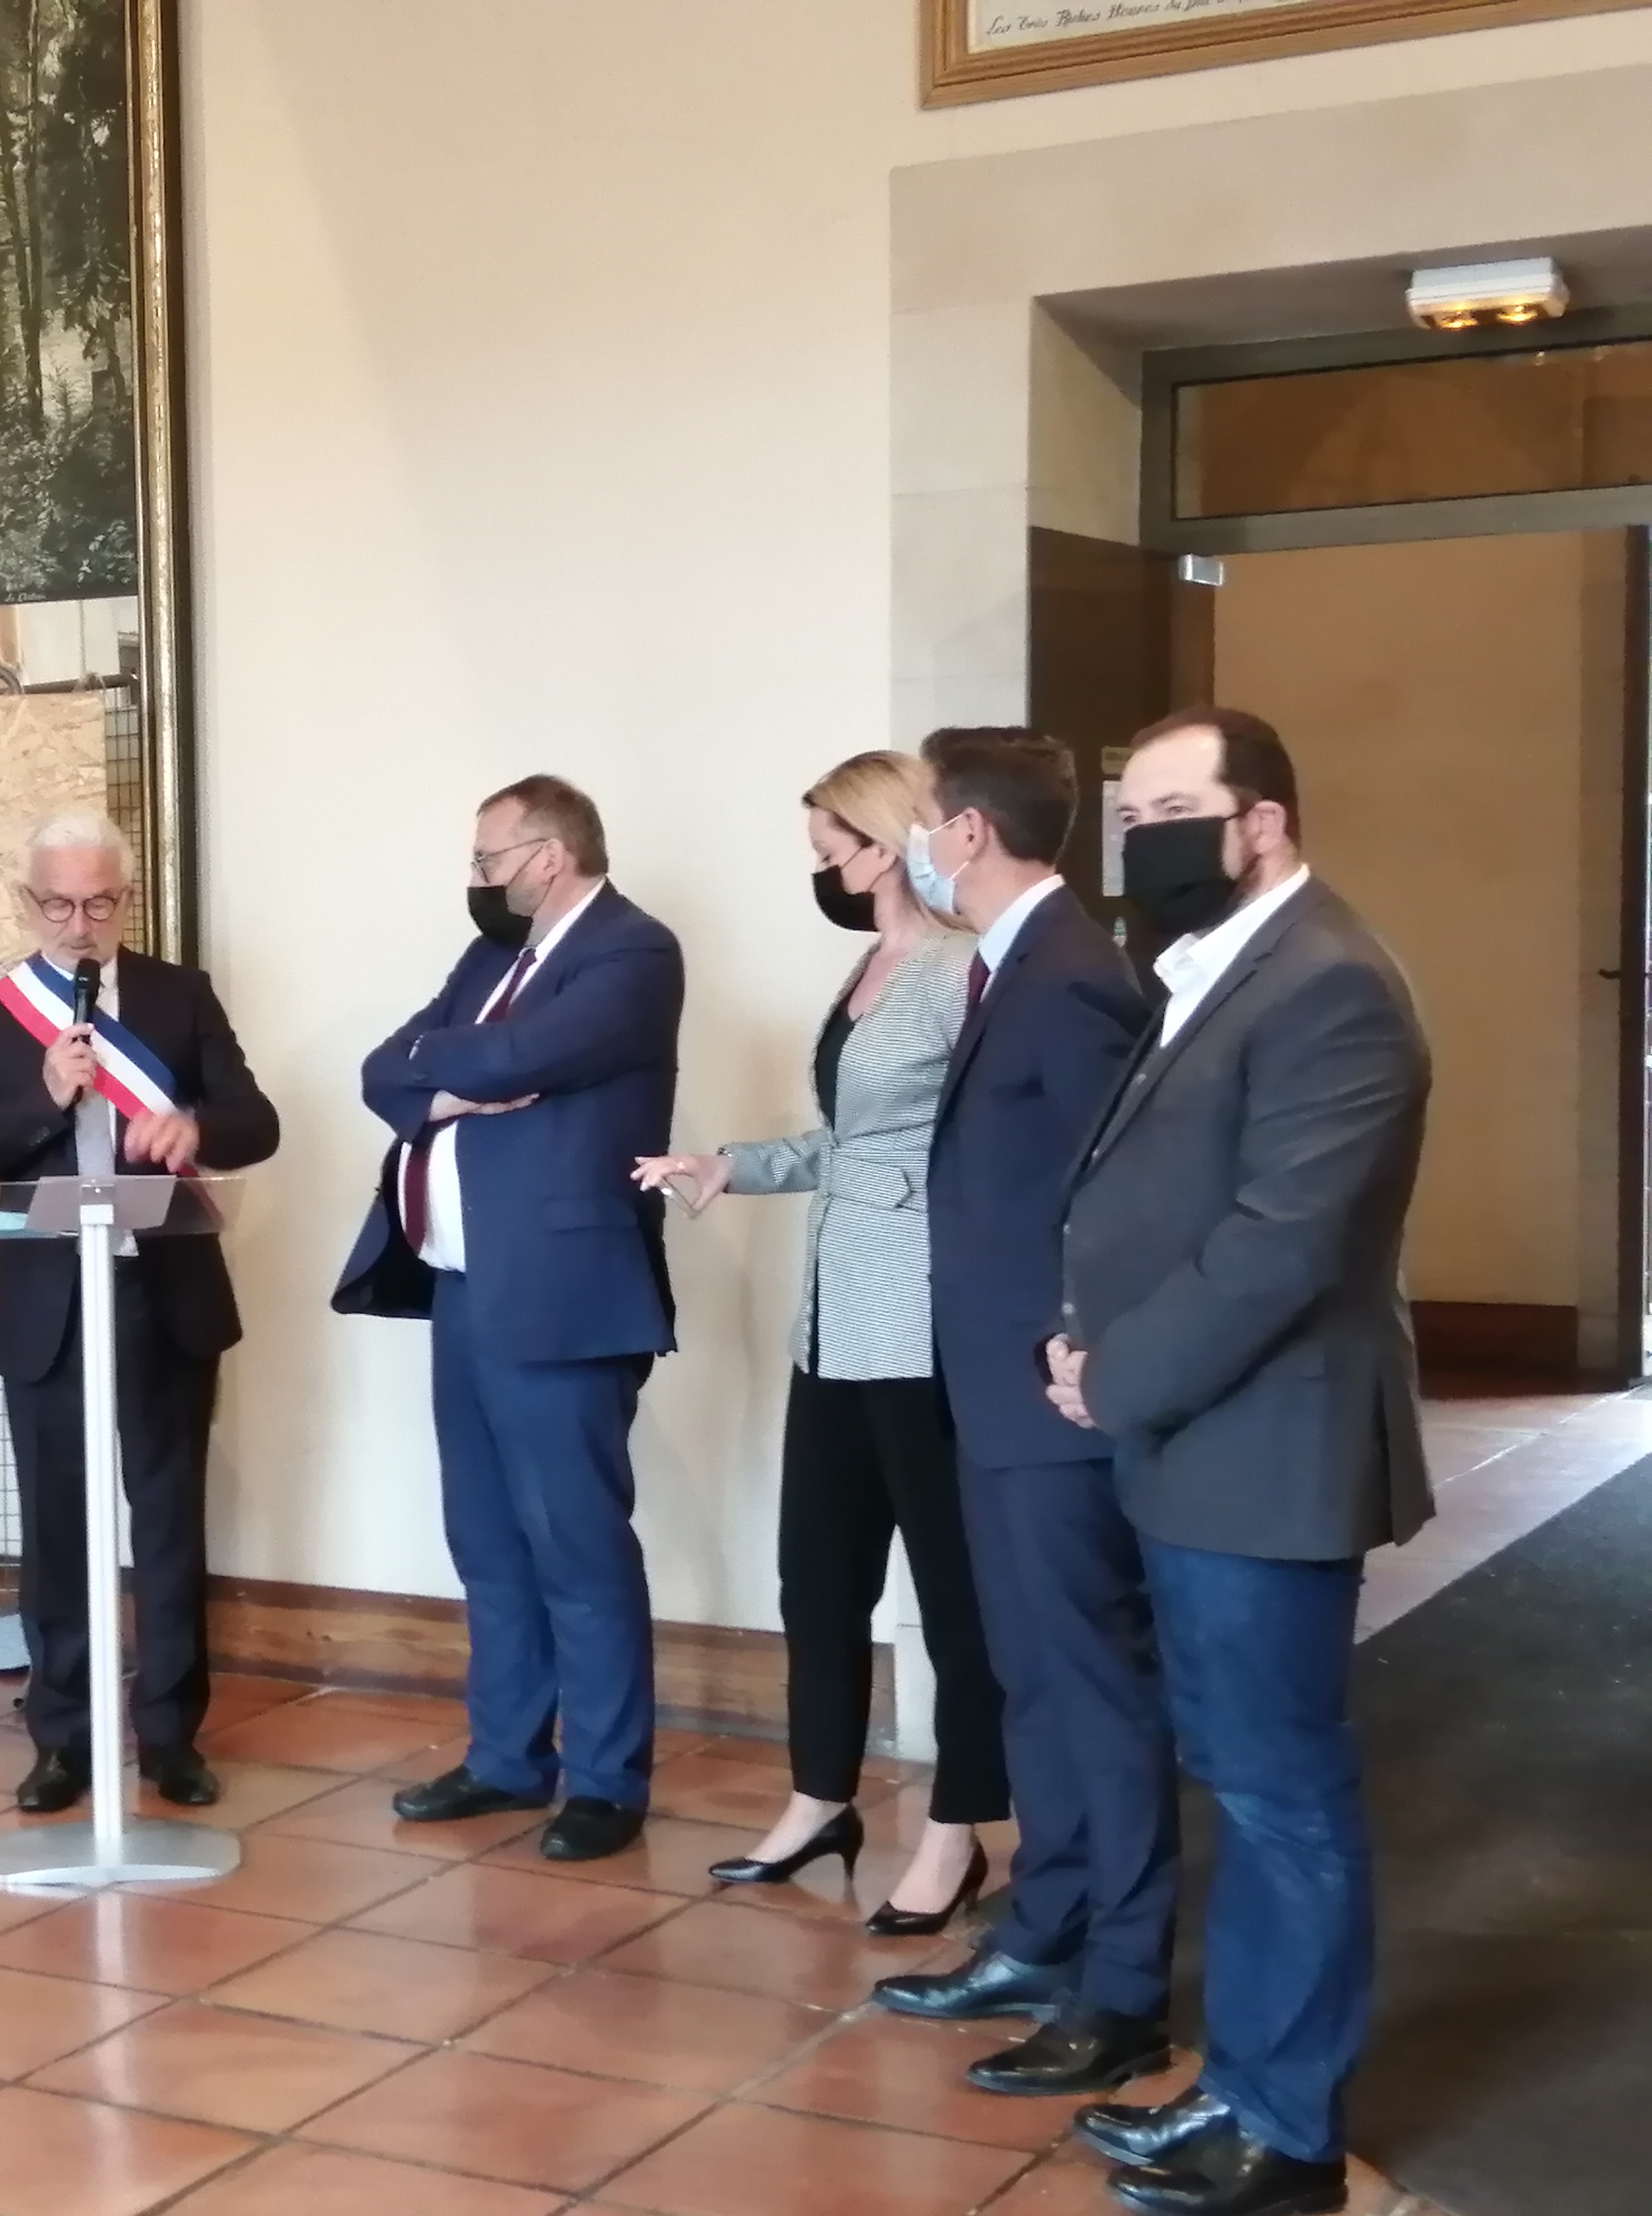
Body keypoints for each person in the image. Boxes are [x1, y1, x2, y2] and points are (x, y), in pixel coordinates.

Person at [1045, 708, 1430, 2216]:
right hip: (1194, 1437)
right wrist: (1089, 1341)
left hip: (1266, 1447)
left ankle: (1288, 2133)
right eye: (1131, 813)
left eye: (1173, 810)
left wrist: (1115, 1376)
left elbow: (1282, 1246)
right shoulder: (1213, 964)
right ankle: (1241, 2085)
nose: (1143, 838)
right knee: (1240, 1777)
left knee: (1281, 1795)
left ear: (1261, 821)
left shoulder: (1331, 982)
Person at [637, 751, 1006, 1930]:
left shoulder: (960, 971)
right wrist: (729, 1167)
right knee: (820, 1577)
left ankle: (957, 1832)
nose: (823, 871)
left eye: (832, 849)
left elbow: (981, 1144)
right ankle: (818, 1800)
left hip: (922, 1318)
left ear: (888, 843)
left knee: (951, 1591)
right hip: (832, 1319)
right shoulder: (868, 966)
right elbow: (848, 1139)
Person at [866, 729, 1174, 2103]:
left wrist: (1081, 1344)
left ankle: (1123, 1986)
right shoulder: (1014, 962)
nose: (916, 842)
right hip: (993, 1388)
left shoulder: (1074, 974)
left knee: (1093, 1687)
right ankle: (1045, 1933)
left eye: (924, 817)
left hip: (1051, 1393)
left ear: (970, 832)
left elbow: (1123, 1189)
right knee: (1033, 1680)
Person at [335, 775, 680, 1864]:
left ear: (547, 856)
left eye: (486, 860)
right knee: (484, 1537)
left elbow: (520, 1058)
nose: (476, 879)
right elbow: (383, 1067)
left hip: (564, 1293)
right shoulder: (493, 960)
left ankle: (606, 1781)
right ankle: (506, 1758)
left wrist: (450, 1067)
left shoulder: (632, 953)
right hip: (463, 1286)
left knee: (575, 1542)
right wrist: (450, 1084)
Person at [0, 815, 279, 1810]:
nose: (80, 925)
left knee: (167, 1520)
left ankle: (170, 1734)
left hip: (162, 1292)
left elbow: (258, 1122)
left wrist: (195, 1123)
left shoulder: (179, 996)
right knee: (57, 1527)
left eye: (100, 903)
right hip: (51, 1304)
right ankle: (65, 1738)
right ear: (26, 901)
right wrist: (43, 1099)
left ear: (127, 898)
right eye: (58, 904)